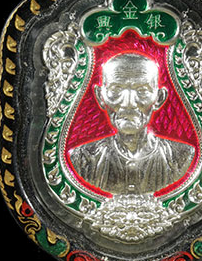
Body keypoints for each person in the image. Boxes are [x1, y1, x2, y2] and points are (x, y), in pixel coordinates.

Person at [69, 52, 194, 194]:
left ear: (159, 98)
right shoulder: (82, 159)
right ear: (100, 96)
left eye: (142, 91)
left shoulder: (181, 157)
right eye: (116, 90)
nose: (128, 103)